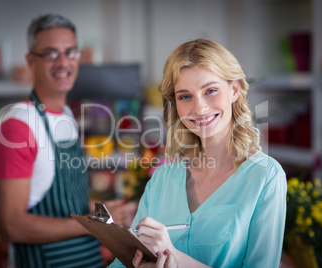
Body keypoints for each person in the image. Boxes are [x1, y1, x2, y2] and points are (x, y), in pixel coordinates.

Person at [109, 39, 287, 267]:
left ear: (235, 89)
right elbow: (123, 261)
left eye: (210, 90)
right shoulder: (163, 179)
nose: (199, 108)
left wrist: (175, 257)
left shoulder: (265, 176)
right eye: (185, 96)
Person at [0, 14, 131, 268]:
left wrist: (104, 213)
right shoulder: (18, 127)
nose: (63, 62)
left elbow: (67, 200)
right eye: (51, 54)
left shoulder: (66, 116)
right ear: (31, 61)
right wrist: (92, 224)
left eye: (70, 52)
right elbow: (11, 226)